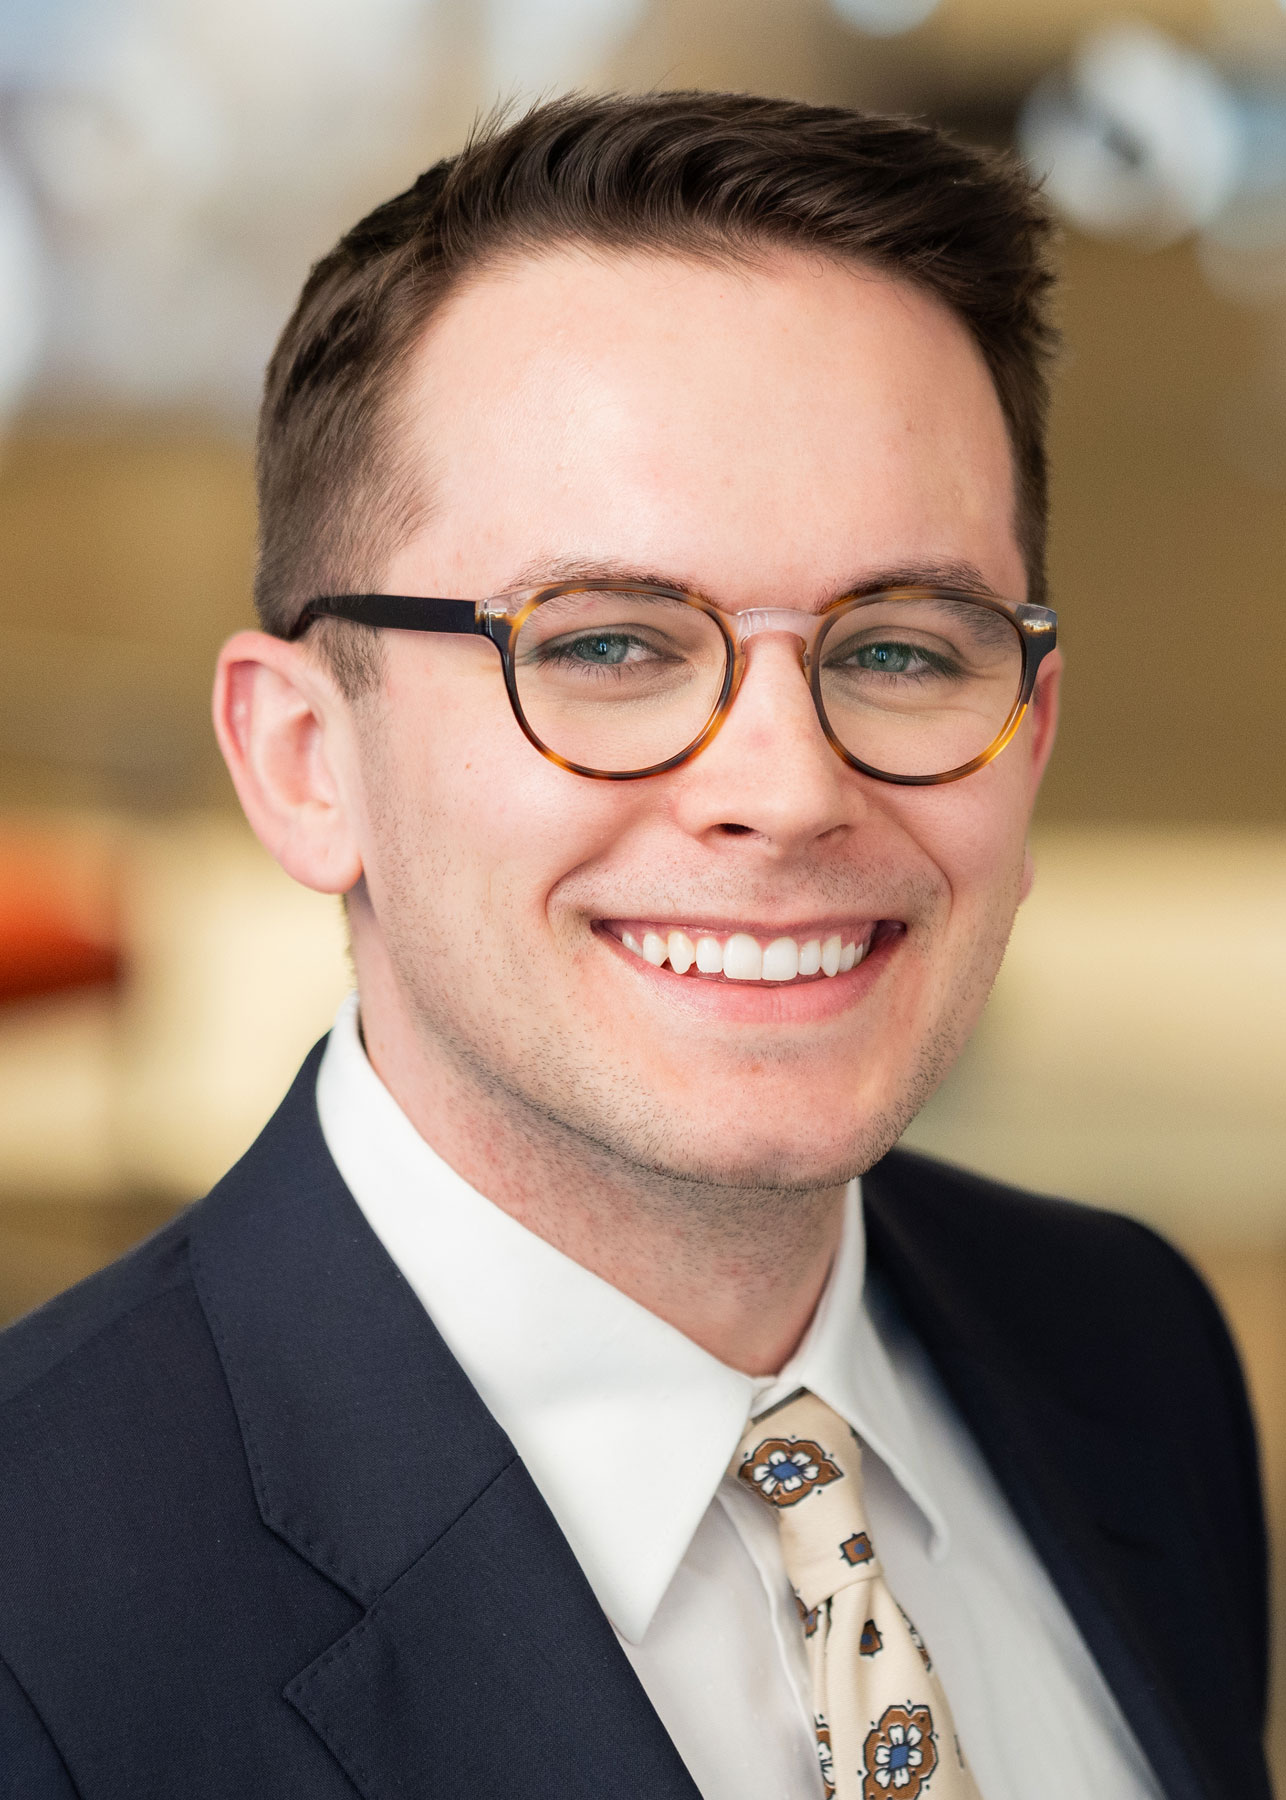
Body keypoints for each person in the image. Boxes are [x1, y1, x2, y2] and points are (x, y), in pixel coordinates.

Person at [0, 92, 1269, 1800]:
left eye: (900, 650)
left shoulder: (1127, 1347)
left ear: (1028, 742)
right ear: (306, 762)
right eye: (605, 645)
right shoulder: (38, 1610)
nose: (787, 790)